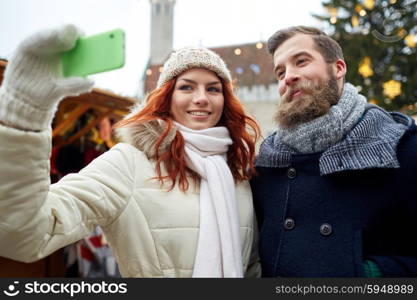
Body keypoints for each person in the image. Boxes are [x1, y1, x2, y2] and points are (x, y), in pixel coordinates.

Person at [0, 24, 261, 278]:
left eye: (213, 88)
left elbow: (253, 266)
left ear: (225, 99)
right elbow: (25, 235)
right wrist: (22, 117)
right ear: (166, 98)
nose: (202, 98)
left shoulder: (238, 171)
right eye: (186, 87)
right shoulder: (129, 162)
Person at [250, 26, 417, 277]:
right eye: (280, 72)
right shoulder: (267, 164)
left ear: (338, 68)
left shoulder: (402, 148)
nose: (289, 77)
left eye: (301, 62)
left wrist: (372, 273)